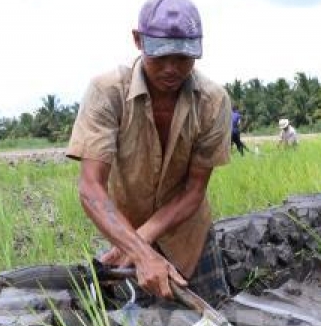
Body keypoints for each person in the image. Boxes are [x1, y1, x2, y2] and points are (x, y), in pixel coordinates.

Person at [66, 0, 231, 306]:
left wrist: (140, 242)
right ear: (138, 40)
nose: (172, 68)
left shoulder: (212, 102)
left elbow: (194, 190)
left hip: (188, 233)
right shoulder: (108, 93)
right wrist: (139, 250)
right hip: (126, 229)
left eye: (183, 57)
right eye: (160, 56)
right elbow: (91, 187)